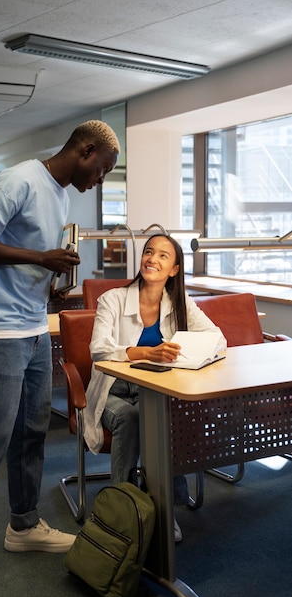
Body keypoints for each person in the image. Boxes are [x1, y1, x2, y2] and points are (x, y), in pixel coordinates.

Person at [0, 120, 120, 597]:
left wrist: (52, 285)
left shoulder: (61, 194)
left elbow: (30, 257)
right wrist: (41, 259)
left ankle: (23, 524)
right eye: (101, 170)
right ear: (84, 149)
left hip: (35, 326)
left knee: (32, 429)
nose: (99, 181)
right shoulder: (17, 178)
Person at [83, 232, 226, 542]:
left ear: (174, 269)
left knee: (168, 420)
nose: (153, 259)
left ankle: (164, 509)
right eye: (149, 252)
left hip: (154, 389)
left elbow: (218, 338)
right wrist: (146, 352)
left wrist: (188, 348)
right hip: (114, 390)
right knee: (132, 418)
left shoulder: (179, 302)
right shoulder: (113, 299)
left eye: (163, 255)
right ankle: (121, 509)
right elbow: (99, 349)